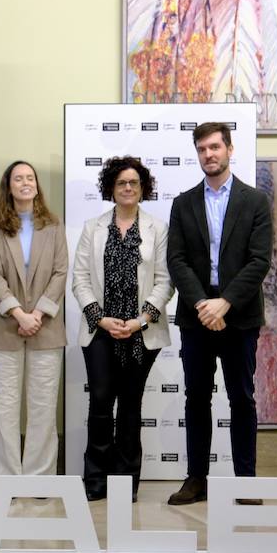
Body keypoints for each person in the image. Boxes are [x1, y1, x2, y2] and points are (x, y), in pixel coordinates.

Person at [165, 122, 272, 506]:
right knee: (196, 398)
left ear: (229, 149)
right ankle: (197, 479)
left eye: (214, 147)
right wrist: (202, 304)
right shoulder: (183, 203)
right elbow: (176, 260)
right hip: (197, 315)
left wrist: (224, 302)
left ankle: (245, 481)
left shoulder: (255, 201)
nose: (208, 154)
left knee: (241, 398)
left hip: (239, 316)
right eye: (202, 149)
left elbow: (259, 261)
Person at [70, 156, 174, 501]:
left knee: (130, 406)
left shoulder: (158, 229)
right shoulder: (93, 228)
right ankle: (95, 481)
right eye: (121, 183)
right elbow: (80, 279)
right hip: (99, 330)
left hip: (140, 332)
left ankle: (126, 483)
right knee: (100, 404)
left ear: (142, 188)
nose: (128, 188)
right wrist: (100, 318)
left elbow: (165, 281)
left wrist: (140, 320)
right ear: (111, 189)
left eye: (134, 183)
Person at [0, 160, 68, 477]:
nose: (25, 182)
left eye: (30, 177)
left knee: (43, 408)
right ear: (9, 186)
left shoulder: (54, 226)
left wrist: (38, 314)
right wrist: (20, 313)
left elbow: (61, 272)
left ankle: (39, 478)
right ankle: (6, 478)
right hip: (5, 328)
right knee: (4, 408)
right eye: (18, 178)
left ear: (36, 185)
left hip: (46, 328)